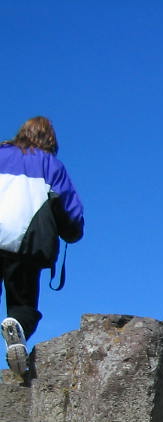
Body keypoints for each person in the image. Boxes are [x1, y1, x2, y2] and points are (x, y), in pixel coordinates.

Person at [0, 116, 85, 377]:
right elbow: (70, 210)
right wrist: (72, 232)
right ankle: (17, 327)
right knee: (23, 302)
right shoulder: (51, 165)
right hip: (26, 244)